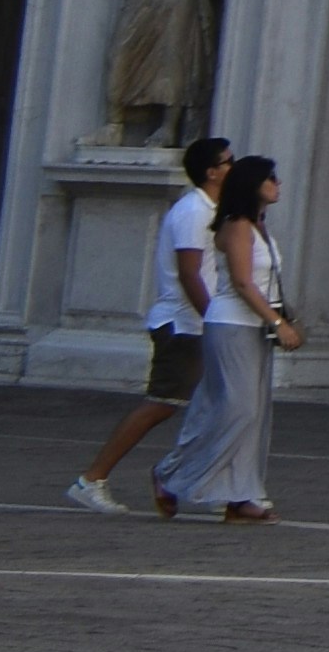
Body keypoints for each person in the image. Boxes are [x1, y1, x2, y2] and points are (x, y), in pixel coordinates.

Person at [64, 136, 233, 511]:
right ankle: (92, 478)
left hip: (191, 323)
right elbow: (190, 274)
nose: (233, 167)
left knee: (217, 404)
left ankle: (189, 480)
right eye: (228, 161)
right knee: (161, 403)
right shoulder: (194, 211)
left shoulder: (209, 209)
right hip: (181, 324)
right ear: (211, 171)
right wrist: (215, 318)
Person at [149, 156, 294, 523]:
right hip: (231, 324)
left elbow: (265, 281)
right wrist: (278, 322)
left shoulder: (259, 226)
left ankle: (242, 494)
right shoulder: (236, 225)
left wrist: (282, 316)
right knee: (237, 408)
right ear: (253, 184)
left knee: (254, 411)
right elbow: (243, 283)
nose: (277, 184)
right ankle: (172, 472)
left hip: (254, 326)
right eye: (270, 178)